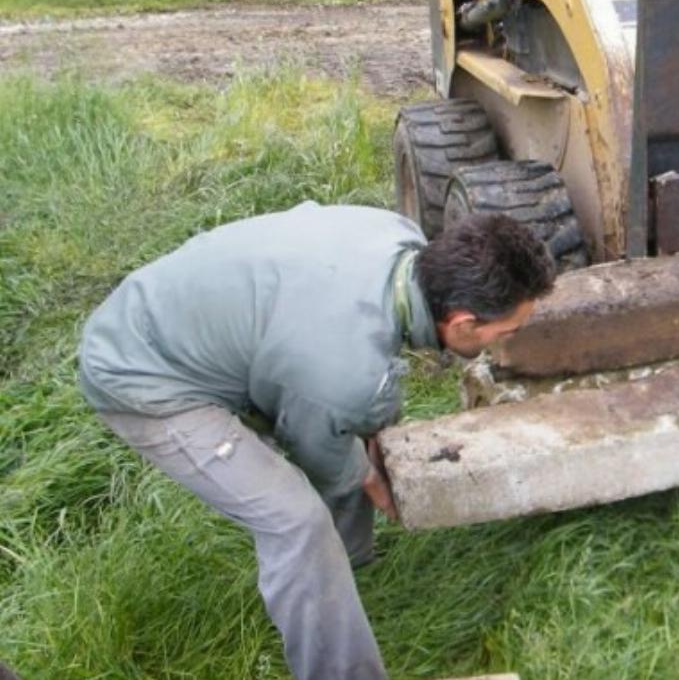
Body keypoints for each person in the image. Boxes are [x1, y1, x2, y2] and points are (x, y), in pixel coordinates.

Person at [77, 204, 558, 679]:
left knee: (361, 421)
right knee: (295, 521)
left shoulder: (397, 237)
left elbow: (349, 400)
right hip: (142, 375)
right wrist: (367, 475)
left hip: (197, 319)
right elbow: (318, 448)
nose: (506, 342)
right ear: (463, 324)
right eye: (507, 331)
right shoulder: (340, 370)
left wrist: (368, 440)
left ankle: (349, 570)